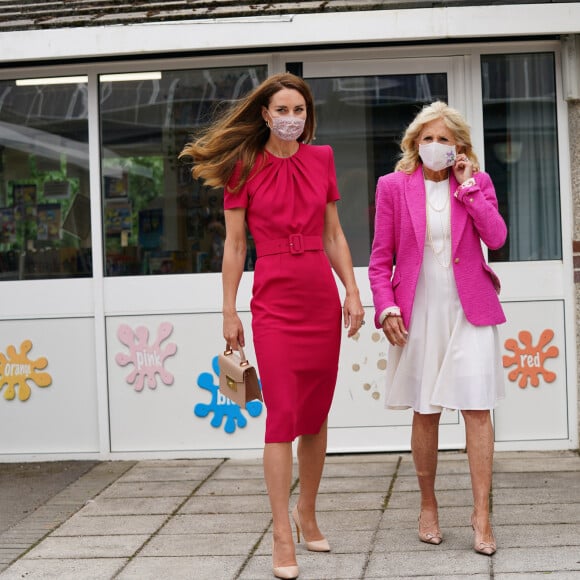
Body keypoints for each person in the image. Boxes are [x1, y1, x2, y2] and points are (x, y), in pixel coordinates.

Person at [180, 72, 364, 579]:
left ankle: (307, 512)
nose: (291, 118)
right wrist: (228, 309)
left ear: (308, 117)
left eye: (299, 111)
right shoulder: (243, 166)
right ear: (265, 114)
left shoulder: (322, 160)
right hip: (274, 303)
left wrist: (351, 289)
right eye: (282, 110)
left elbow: (334, 234)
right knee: (281, 416)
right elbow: (236, 246)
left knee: (316, 415)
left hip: (319, 298)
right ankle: (281, 533)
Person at [368, 101, 506, 556]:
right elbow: (379, 259)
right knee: (425, 411)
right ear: (414, 143)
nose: (434, 146)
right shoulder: (392, 186)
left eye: (444, 139)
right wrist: (386, 308)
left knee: (477, 409)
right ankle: (428, 505)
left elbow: (497, 238)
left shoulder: (477, 183)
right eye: (426, 138)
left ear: (460, 147)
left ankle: (481, 514)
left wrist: (468, 188)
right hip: (419, 310)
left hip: (470, 310)